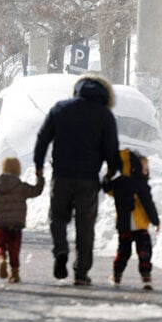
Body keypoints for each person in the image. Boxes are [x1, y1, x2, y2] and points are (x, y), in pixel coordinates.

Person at [33, 74, 121, 286]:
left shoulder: (60, 108)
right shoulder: (105, 115)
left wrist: (38, 167)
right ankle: (81, 272)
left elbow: (43, 138)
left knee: (58, 218)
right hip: (88, 180)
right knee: (85, 226)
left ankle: (61, 249)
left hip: (61, 176)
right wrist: (111, 172)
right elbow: (111, 149)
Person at [103, 149, 160, 290]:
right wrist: (155, 220)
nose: (146, 171)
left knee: (123, 252)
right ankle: (146, 276)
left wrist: (107, 176)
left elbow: (107, 189)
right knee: (144, 251)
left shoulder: (118, 183)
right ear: (137, 167)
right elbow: (148, 204)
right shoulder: (141, 185)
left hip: (124, 225)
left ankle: (117, 275)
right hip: (140, 226)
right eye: (144, 168)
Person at [0, 157, 45, 283]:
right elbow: (36, 191)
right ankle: (14, 272)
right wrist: (40, 178)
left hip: (0, 224)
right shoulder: (20, 187)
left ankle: (1, 259)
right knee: (14, 248)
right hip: (16, 224)